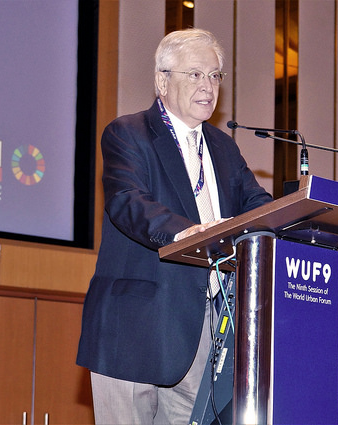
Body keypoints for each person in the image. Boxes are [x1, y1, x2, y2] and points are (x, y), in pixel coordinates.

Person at [76, 28, 272, 424]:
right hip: (134, 329)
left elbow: (257, 206)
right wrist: (187, 234)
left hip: (203, 332)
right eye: (195, 74)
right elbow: (127, 202)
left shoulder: (223, 147)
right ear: (162, 81)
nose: (208, 85)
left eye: (215, 75)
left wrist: (297, 222)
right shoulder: (127, 133)